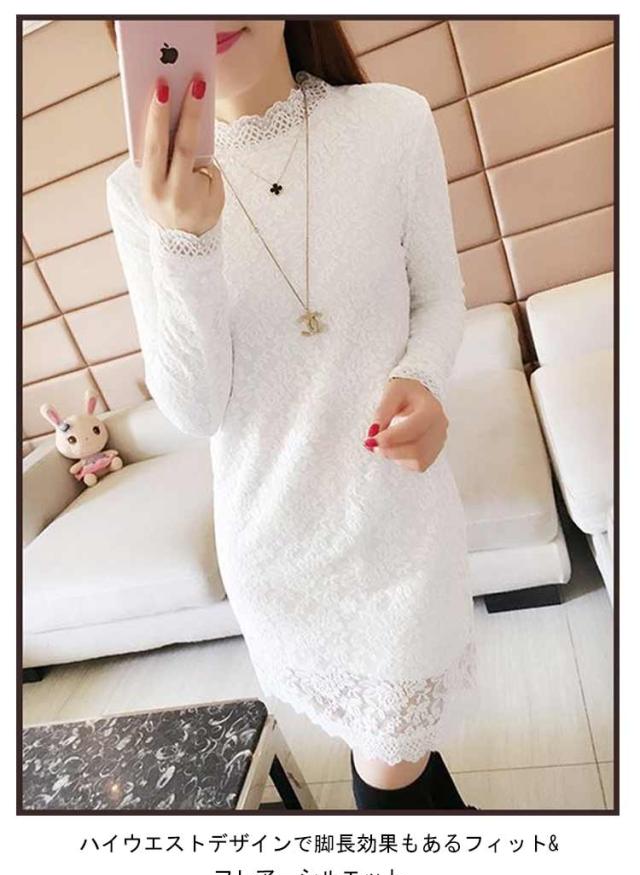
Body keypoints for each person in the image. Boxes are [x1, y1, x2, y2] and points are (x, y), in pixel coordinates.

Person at [104, 19, 478, 810]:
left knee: (392, 752)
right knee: (391, 746)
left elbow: (439, 296)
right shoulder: (137, 192)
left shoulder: (393, 121)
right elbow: (195, 408)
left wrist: (422, 378)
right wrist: (186, 240)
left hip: (400, 521)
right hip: (276, 543)